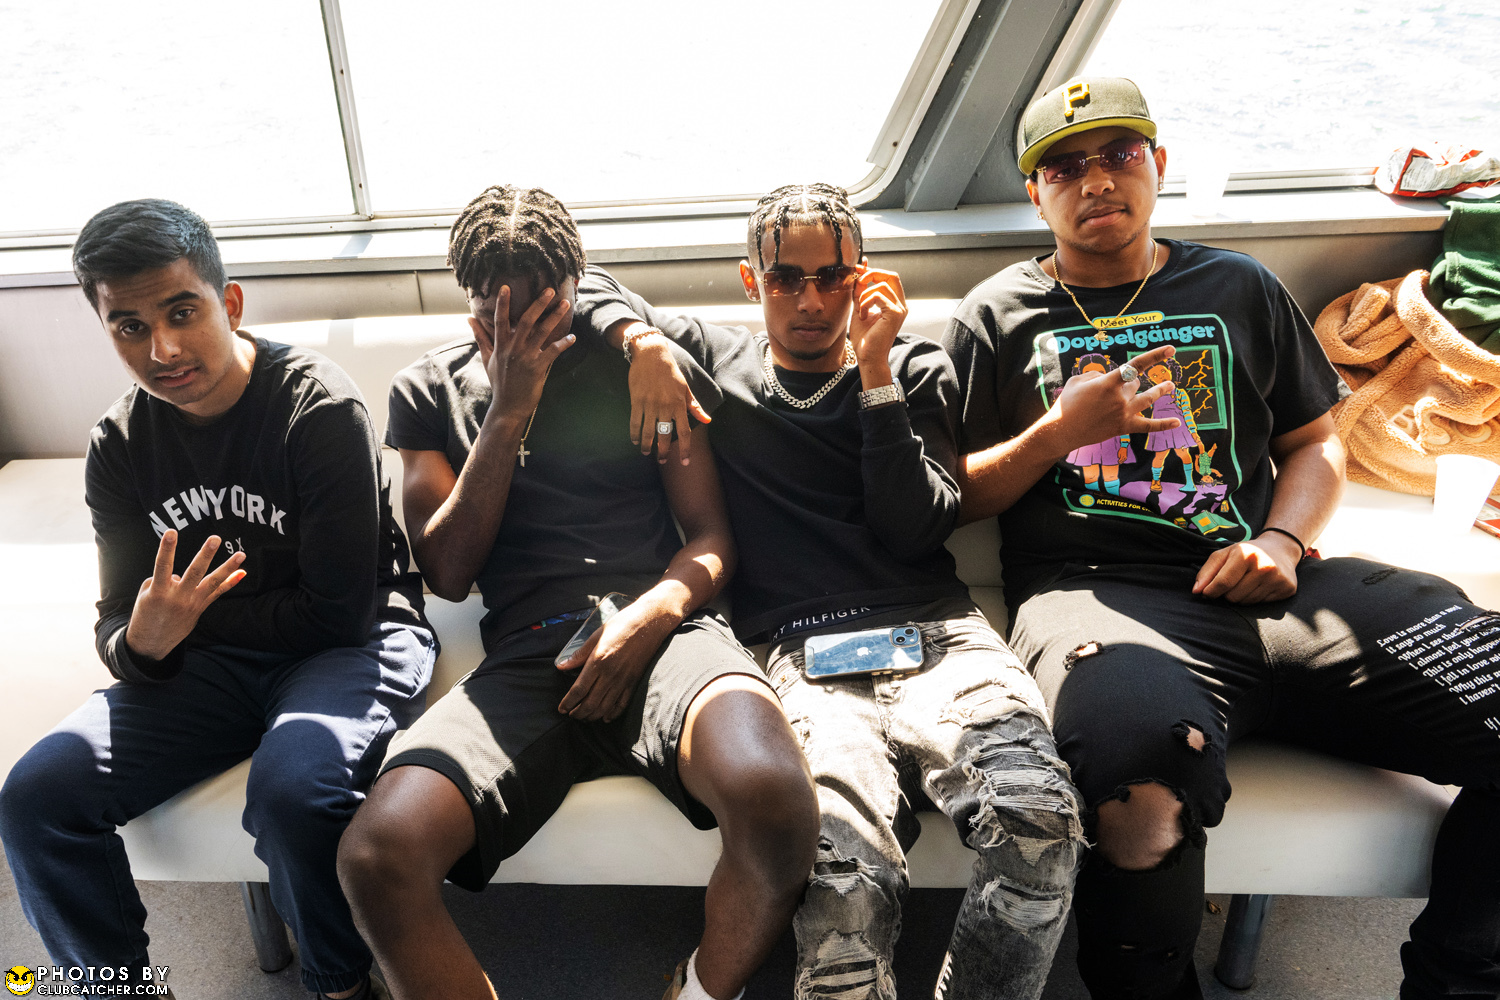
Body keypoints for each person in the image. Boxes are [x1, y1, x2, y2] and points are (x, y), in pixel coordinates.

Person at [944, 77, 1500, 999]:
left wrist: (1282, 540)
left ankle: (1458, 983)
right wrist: (1056, 435)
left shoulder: (1238, 284)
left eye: (1119, 154)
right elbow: (950, 496)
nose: (1097, 180)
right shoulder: (996, 316)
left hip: (1277, 579)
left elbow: (1316, 443)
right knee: (1134, 794)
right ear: (1037, 195)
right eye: (1064, 168)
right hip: (1095, 595)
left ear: (1158, 164)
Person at [576, 182, 1086, 1000]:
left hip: (941, 638)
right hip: (802, 655)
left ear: (863, 276)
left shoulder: (914, 365)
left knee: (1042, 825)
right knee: (840, 888)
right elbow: (583, 282)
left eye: (832, 277)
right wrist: (642, 343)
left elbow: (914, 529)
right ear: (753, 280)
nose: (811, 301)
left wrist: (875, 374)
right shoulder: (717, 359)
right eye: (787, 279)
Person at [335, 185, 819, 1000]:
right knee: (375, 856)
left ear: (578, 292)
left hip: (666, 628)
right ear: (473, 313)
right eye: (501, 322)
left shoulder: (638, 367)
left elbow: (710, 538)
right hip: (530, 654)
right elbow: (447, 572)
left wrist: (652, 615)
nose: (529, 339)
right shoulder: (429, 390)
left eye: (548, 316)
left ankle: (699, 990)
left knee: (776, 799)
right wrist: (507, 412)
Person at [0, 199, 434, 1000]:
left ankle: (340, 985)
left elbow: (336, 613)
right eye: (130, 327)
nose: (161, 349)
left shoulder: (318, 408)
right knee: (35, 798)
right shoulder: (120, 444)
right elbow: (118, 622)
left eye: (181, 312)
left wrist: (184, 623)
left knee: (294, 792)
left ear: (228, 303)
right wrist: (142, 645)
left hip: (350, 644)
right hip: (212, 667)